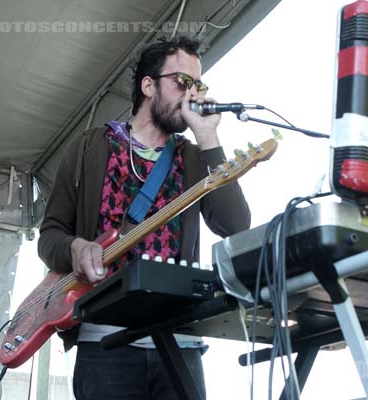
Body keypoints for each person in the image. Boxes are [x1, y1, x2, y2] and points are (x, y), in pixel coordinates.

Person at [37, 36, 251, 399]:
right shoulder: (91, 146)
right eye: (183, 82)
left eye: (198, 85)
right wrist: (75, 247)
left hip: (178, 340)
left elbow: (235, 225)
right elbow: (50, 235)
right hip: (106, 341)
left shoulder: (197, 157)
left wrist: (209, 137)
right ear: (148, 85)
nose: (191, 95)